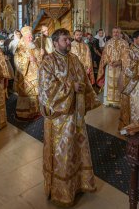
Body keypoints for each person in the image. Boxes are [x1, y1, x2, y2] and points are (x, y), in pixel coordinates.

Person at [38, 28, 99, 207]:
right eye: (65, 40)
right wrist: (71, 87)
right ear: (55, 42)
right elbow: (45, 90)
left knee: (77, 148)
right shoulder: (48, 62)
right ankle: (61, 190)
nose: (69, 43)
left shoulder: (74, 59)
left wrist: (87, 98)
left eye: (69, 40)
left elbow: (85, 82)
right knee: (62, 153)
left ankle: (79, 184)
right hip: (59, 118)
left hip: (76, 115)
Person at [119, 30, 139, 130]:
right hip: (135, 84)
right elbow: (127, 69)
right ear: (135, 39)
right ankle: (135, 127)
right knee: (137, 105)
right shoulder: (128, 52)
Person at [14, 26, 42, 120]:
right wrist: (27, 59)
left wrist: (40, 56)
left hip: (35, 75)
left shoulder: (34, 45)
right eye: (29, 37)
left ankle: (35, 112)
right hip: (25, 76)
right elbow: (17, 61)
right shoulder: (20, 47)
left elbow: (38, 58)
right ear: (24, 37)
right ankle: (24, 114)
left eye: (31, 36)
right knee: (27, 94)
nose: (31, 38)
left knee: (35, 93)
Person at [97, 27, 128, 107]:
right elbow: (105, 54)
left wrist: (119, 62)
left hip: (120, 67)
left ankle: (119, 102)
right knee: (109, 83)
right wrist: (109, 61)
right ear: (112, 33)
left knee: (119, 83)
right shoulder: (108, 43)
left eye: (117, 32)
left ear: (120, 33)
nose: (115, 34)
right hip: (110, 67)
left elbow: (126, 55)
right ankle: (109, 101)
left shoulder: (124, 43)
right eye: (114, 32)